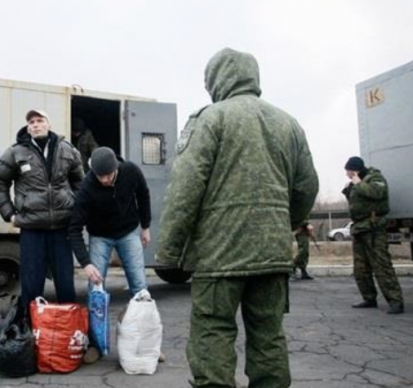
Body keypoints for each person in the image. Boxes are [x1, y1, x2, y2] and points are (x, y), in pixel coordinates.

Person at [156, 48, 319, 388]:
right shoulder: (287, 123)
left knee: (212, 336)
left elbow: (185, 190)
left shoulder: (211, 119)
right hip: (272, 255)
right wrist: (281, 224)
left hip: (219, 257)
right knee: (269, 336)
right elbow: (306, 187)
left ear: (218, 79)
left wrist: (169, 251)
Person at [0, 109, 84, 309]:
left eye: (39, 120)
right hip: (32, 229)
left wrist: (75, 208)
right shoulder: (15, 152)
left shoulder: (67, 150)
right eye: (31, 122)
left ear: (48, 124)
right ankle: (30, 332)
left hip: (61, 227)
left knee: (66, 284)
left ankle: (69, 333)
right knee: (32, 286)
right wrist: (9, 214)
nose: (35, 124)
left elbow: (79, 181)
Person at [68, 146, 151, 364]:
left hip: (128, 231)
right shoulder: (87, 187)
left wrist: (146, 225)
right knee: (95, 290)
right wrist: (86, 264)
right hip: (100, 236)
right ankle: (95, 345)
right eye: (100, 176)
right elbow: (74, 229)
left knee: (140, 288)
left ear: (116, 168)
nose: (104, 180)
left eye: (108, 175)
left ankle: (145, 346)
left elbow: (143, 194)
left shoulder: (131, 171)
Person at [342, 156, 404, 314]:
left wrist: (358, 184)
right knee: (360, 268)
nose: (347, 174)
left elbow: (377, 193)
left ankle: (395, 301)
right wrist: (348, 189)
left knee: (382, 266)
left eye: (348, 171)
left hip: (373, 228)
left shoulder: (375, 177)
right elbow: (357, 202)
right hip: (359, 228)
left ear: (354, 169)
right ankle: (369, 298)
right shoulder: (359, 181)